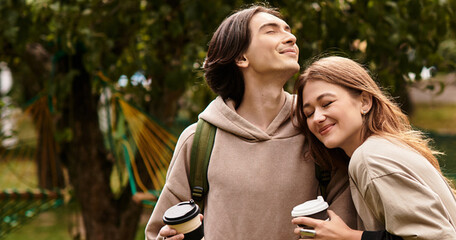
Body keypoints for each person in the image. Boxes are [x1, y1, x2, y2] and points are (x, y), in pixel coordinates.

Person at [144, 5, 357, 240]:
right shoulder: (199, 141)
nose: (291, 38)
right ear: (241, 57)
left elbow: (346, 224)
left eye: (288, 30)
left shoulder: (319, 130)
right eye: (271, 31)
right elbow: (161, 231)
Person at [291, 56, 456, 240]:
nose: (317, 118)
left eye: (327, 103)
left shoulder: (369, 158)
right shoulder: (386, 147)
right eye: (309, 113)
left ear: (364, 102)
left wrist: (347, 236)